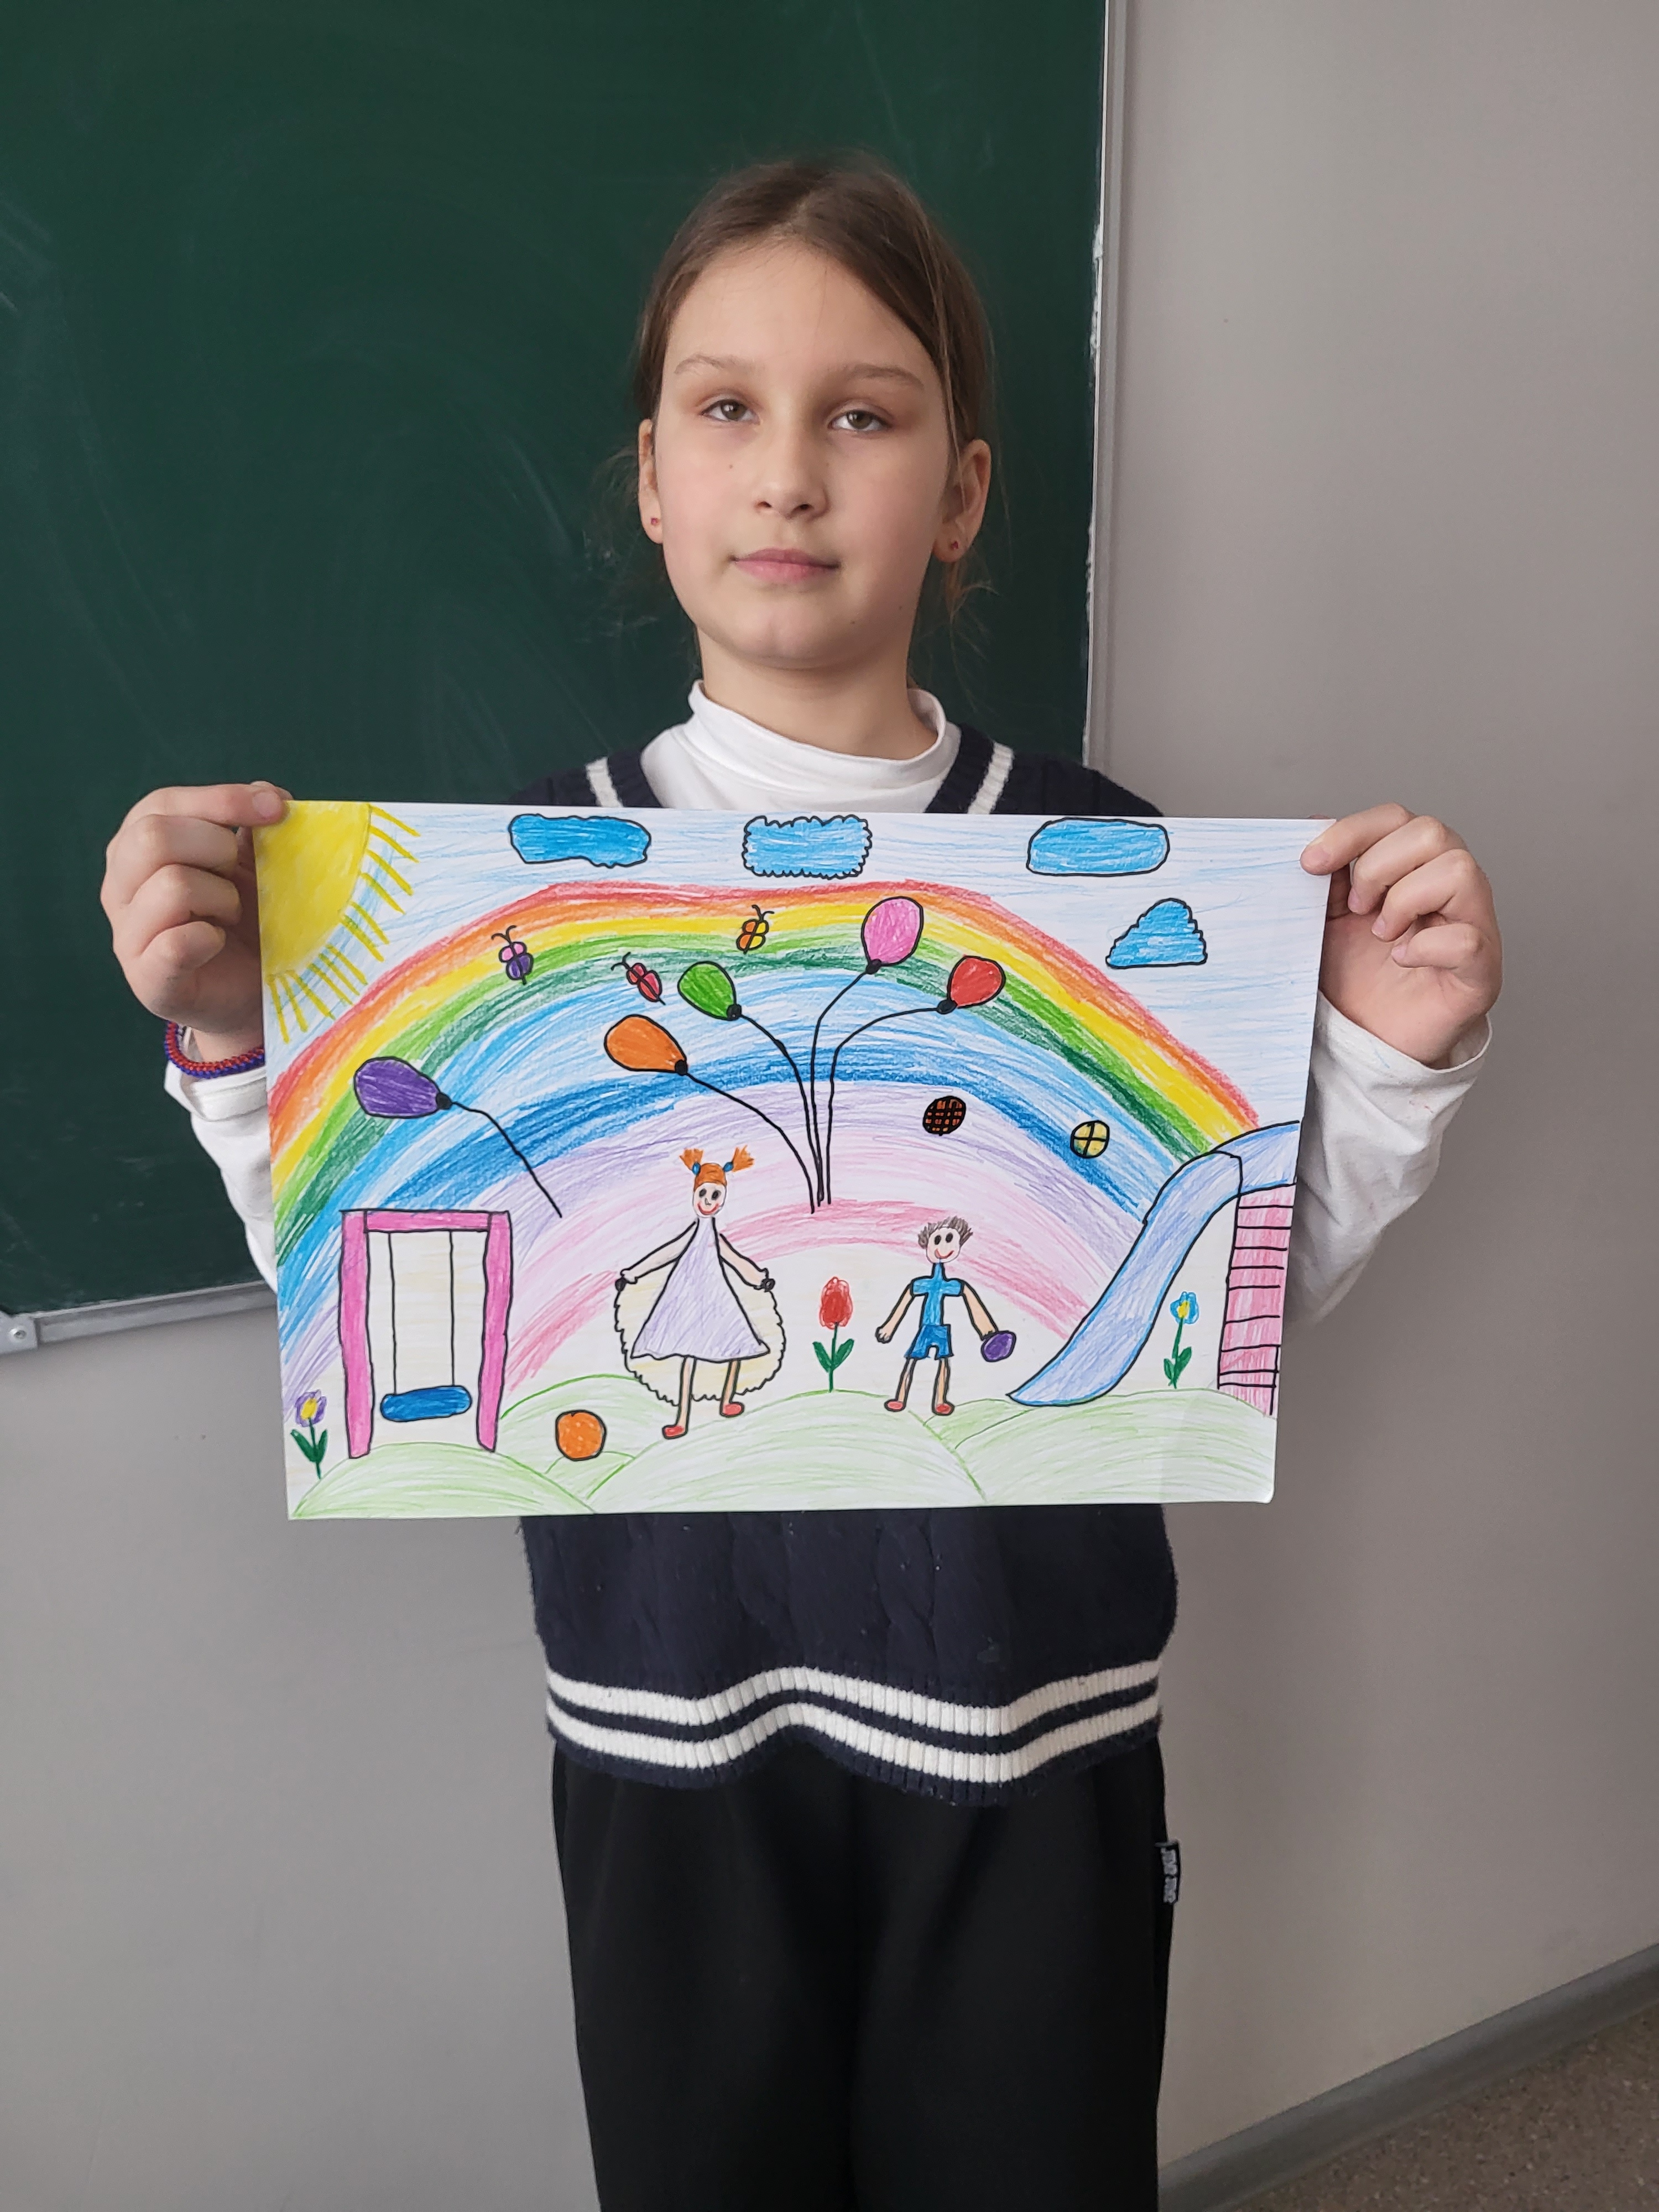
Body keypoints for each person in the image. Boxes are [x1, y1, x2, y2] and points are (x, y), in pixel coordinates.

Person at [98, 158, 1502, 2210]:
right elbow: (382, 1280)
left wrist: (1381, 1059)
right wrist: (242, 1042)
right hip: (670, 1754)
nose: (786, 473)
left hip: (1034, 1749)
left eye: (861, 412)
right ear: (652, 482)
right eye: (725, 409)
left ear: (959, 491)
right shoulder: (489, 897)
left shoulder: (1115, 871)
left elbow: (1218, 1309)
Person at [615, 1144, 782, 1436]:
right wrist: (634, 1273)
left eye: (715, 1195)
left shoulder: (715, 1237)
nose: (708, 1201)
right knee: (688, 1356)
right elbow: (666, 1254)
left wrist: (758, 1278)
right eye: (703, 1193)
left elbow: (735, 1260)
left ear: (723, 1199)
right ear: (694, 1195)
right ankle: (682, 1419)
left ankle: (727, 1400)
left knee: (737, 1342)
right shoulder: (693, 1235)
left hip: (716, 1297)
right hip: (687, 1298)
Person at [875, 1215, 1000, 1416]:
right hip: (926, 1328)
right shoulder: (921, 1284)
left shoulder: (953, 1285)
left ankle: (940, 1400)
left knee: (943, 1362)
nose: (943, 1247)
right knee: (912, 1360)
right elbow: (906, 1300)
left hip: (940, 1330)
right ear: (927, 1245)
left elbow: (970, 1298)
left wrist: (988, 1331)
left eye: (950, 1240)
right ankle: (900, 1398)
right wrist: (890, 1326)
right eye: (937, 1240)